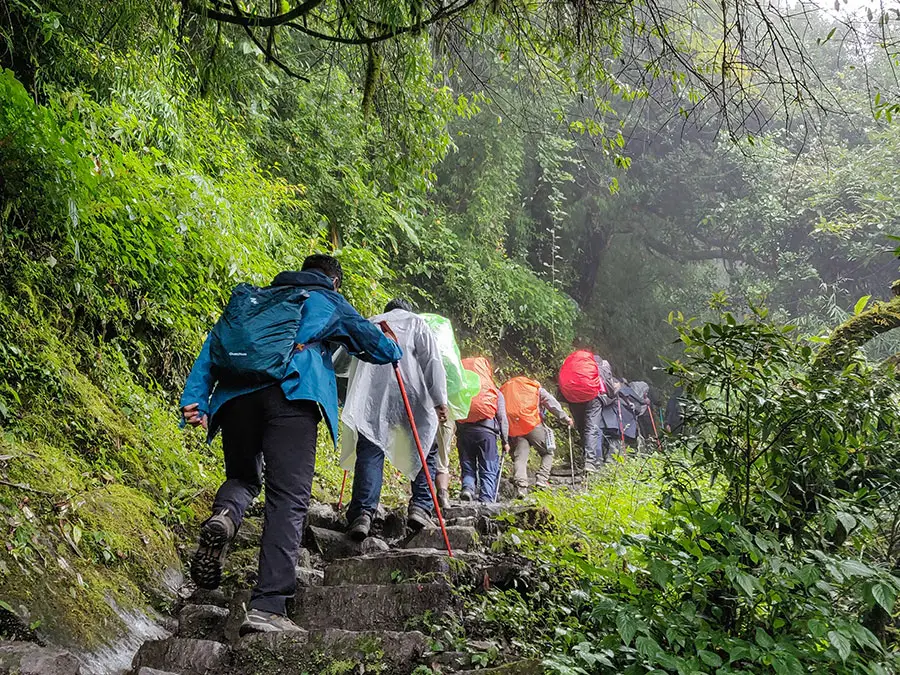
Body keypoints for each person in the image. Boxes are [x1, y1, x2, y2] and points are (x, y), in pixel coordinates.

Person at [180, 254, 402, 635]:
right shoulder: (326, 299)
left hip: (235, 400)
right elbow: (375, 348)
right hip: (291, 396)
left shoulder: (258, 300)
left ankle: (226, 517)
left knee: (244, 477)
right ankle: (268, 605)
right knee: (287, 498)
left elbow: (213, 346)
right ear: (335, 281)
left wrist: (196, 398)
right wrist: (392, 344)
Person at [341, 299, 449, 540]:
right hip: (412, 394)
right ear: (408, 310)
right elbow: (432, 362)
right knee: (426, 447)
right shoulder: (418, 323)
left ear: (387, 311)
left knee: (371, 448)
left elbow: (347, 362)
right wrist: (439, 400)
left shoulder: (371, 323)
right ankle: (421, 507)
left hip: (374, 397)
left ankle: (363, 514)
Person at [420, 313, 481, 511]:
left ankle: (423, 499)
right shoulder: (449, 358)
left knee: (422, 453)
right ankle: (442, 496)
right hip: (444, 413)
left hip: (420, 411)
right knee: (441, 457)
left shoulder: (417, 351)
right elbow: (461, 388)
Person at [501, 376, 574, 499]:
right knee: (547, 451)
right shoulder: (535, 388)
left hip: (514, 427)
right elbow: (551, 403)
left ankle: (521, 488)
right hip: (532, 424)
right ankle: (542, 479)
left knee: (520, 457)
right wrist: (565, 418)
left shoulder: (505, 390)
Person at [456, 357, 509, 502]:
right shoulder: (494, 392)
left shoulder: (462, 389)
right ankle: (486, 499)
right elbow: (502, 418)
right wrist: (506, 441)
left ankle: (468, 488)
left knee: (468, 464)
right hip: (486, 433)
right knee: (489, 467)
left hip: (464, 432)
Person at [559, 350, 614, 473]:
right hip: (593, 396)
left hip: (573, 397)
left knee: (582, 427)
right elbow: (610, 387)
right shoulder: (601, 365)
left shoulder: (571, 364)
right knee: (592, 428)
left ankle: (586, 455)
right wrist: (611, 395)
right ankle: (590, 461)